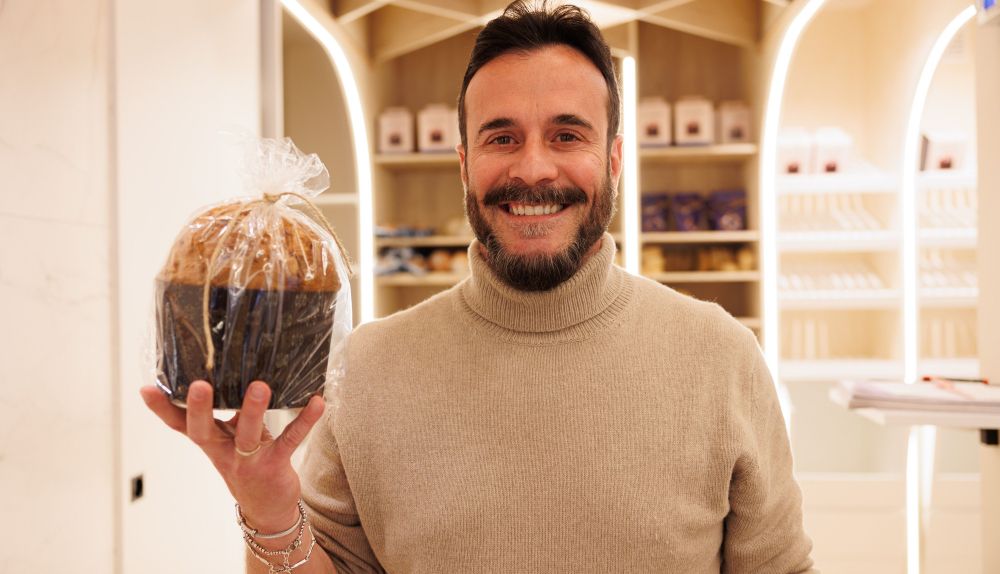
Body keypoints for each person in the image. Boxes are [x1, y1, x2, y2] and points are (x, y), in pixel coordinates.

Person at [141, 2, 816, 572]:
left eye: (567, 135)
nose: (534, 168)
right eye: (501, 138)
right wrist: (269, 512)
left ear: (613, 159)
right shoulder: (369, 368)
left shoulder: (720, 357)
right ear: (464, 162)